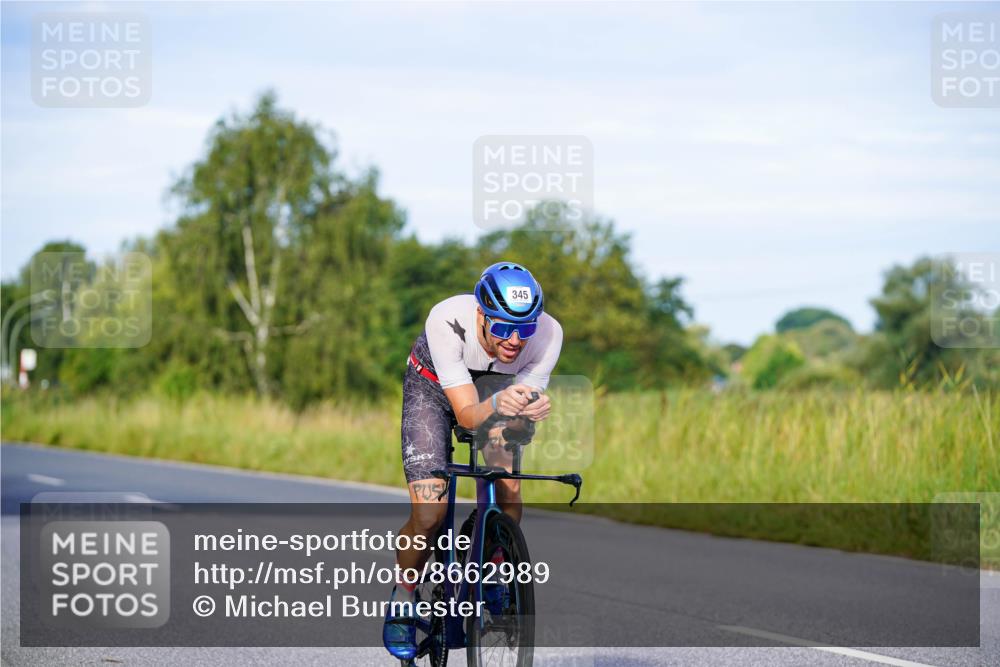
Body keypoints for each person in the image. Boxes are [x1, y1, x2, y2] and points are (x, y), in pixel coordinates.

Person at [383, 261, 563, 660]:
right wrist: (500, 404)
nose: (515, 340)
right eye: (502, 328)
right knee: (430, 514)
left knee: (510, 497)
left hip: (496, 390)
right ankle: (404, 593)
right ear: (481, 314)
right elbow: (466, 415)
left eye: (526, 327)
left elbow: (508, 416)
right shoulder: (446, 319)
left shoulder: (549, 334)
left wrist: (525, 413)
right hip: (432, 389)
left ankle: (495, 565)